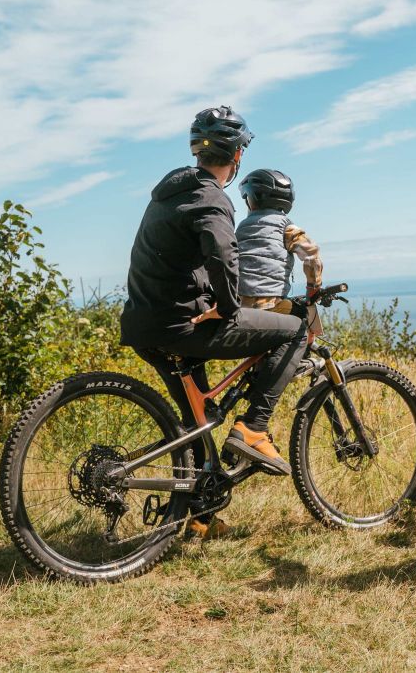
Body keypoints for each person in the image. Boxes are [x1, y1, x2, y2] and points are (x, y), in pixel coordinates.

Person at [119, 105, 307, 478]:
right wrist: (228, 307)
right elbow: (223, 256)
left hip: (144, 323)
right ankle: (254, 429)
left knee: (196, 421)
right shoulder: (212, 198)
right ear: (237, 155)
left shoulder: (170, 191)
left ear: (196, 150)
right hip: (184, 325)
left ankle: (199, 512)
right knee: (297, 329)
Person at [236, 168, 323, 313]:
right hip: (272, 305)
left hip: (238, 304)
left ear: (249, 197)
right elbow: (311, 254)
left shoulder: (241, 228)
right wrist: (313, 287)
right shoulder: (286, 228)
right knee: (304, 316)